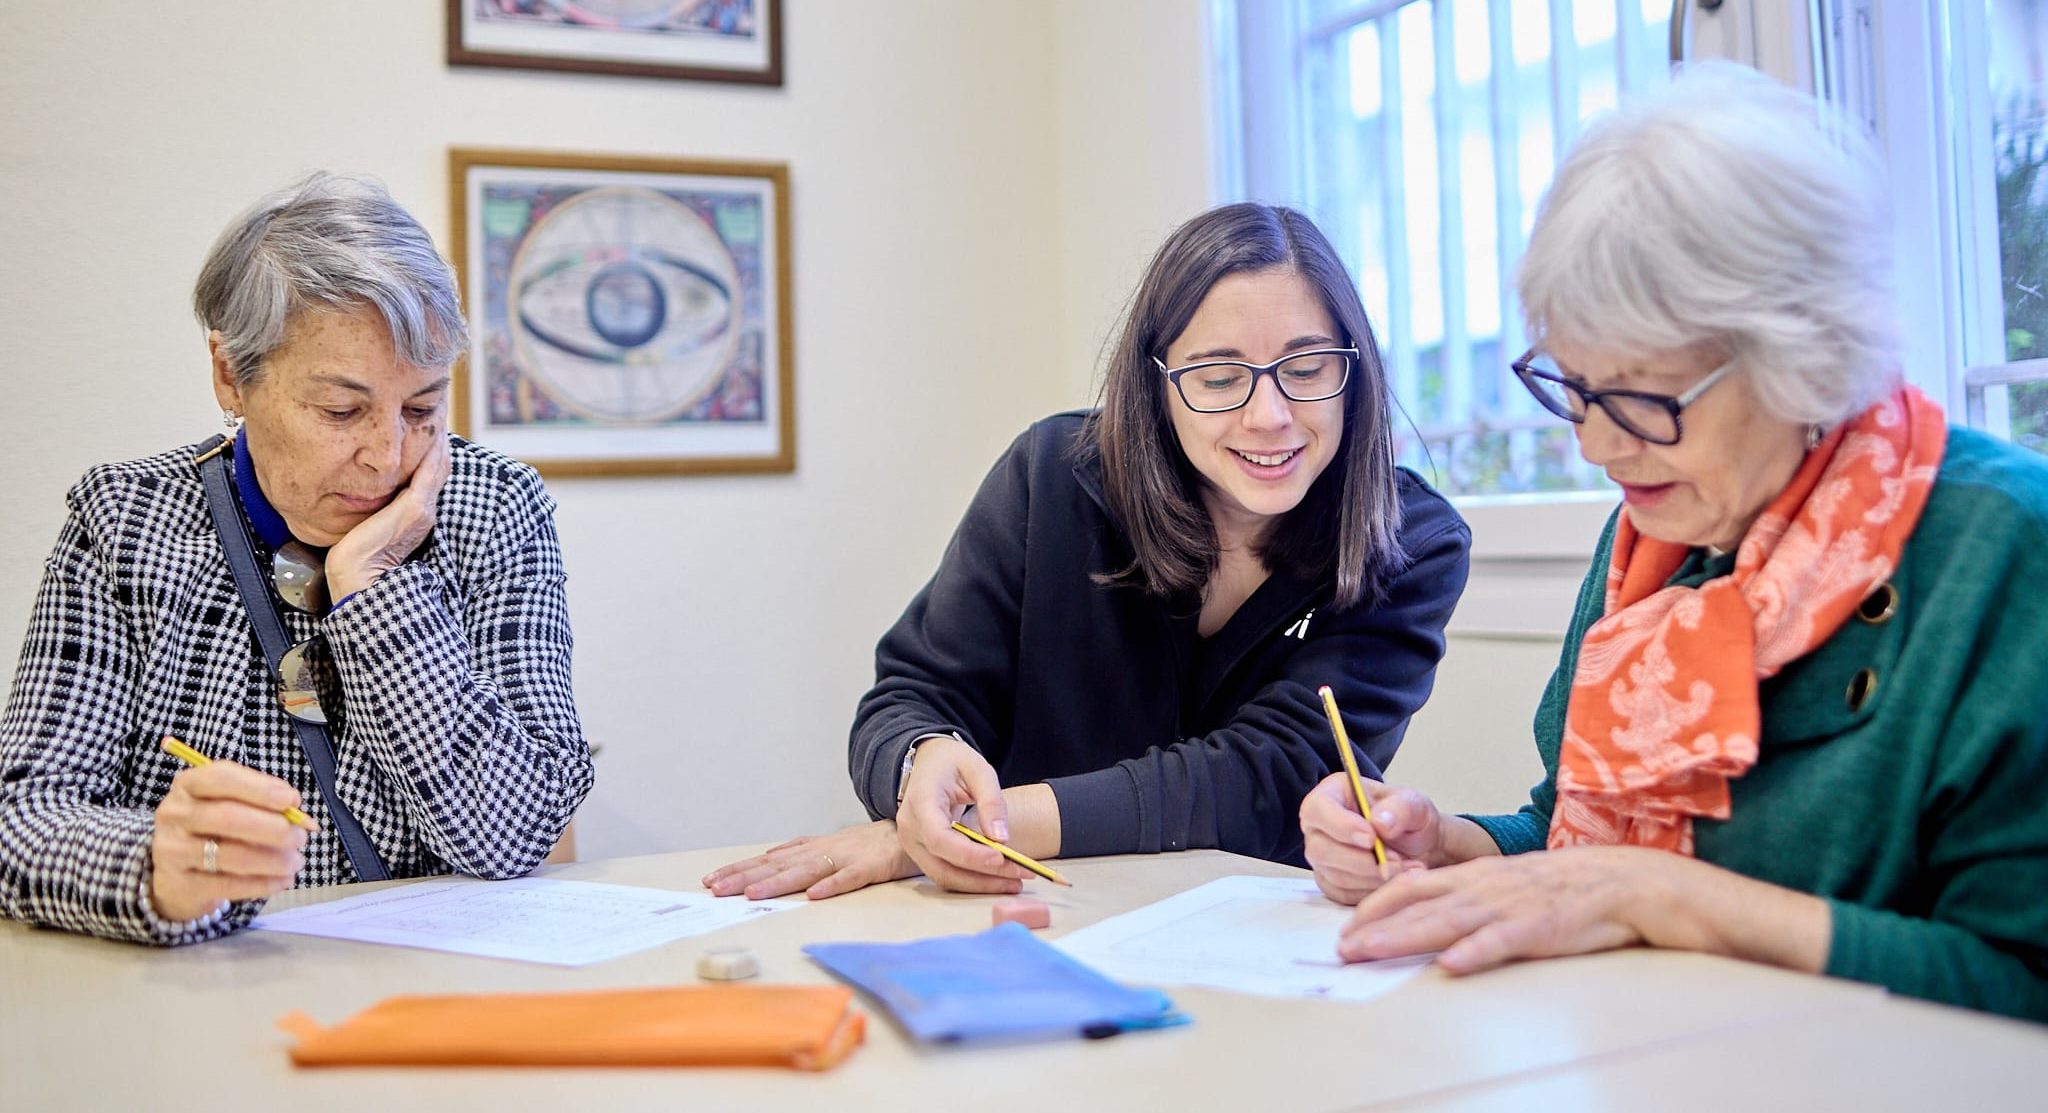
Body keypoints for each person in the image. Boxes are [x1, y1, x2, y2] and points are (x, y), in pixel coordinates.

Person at [1300, 63, 2048, 1022]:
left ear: (1805, 355)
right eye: (1572, 386)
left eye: (1646, 399)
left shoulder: (2001, 549)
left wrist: (1666, 897)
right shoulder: (1652, 537)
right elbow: (1567, 834)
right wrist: (1444, 845)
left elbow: (2022, 981)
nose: (1597, 444)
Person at [706, 203, 1470, 901]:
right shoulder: (1052, 478)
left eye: (1306, 370)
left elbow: (1265, 778)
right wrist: (920, 768)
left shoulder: (1411, 543)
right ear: (1158, 383)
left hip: (1266, 941)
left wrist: (979, 823)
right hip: (1027, 916)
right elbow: (911, 695)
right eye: (1216, 376)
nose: (1268, 414)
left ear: (1354, 370)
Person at [0, 173, 595, 945]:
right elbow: (22, 817)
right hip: (200, 997)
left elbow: (513, 833)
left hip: (436, 993)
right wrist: (153, 865)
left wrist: (374, 590)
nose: (386, 457)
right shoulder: (128, 521)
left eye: (421, 408)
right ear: (230, 375)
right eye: (342, 410)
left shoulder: (494, 508)